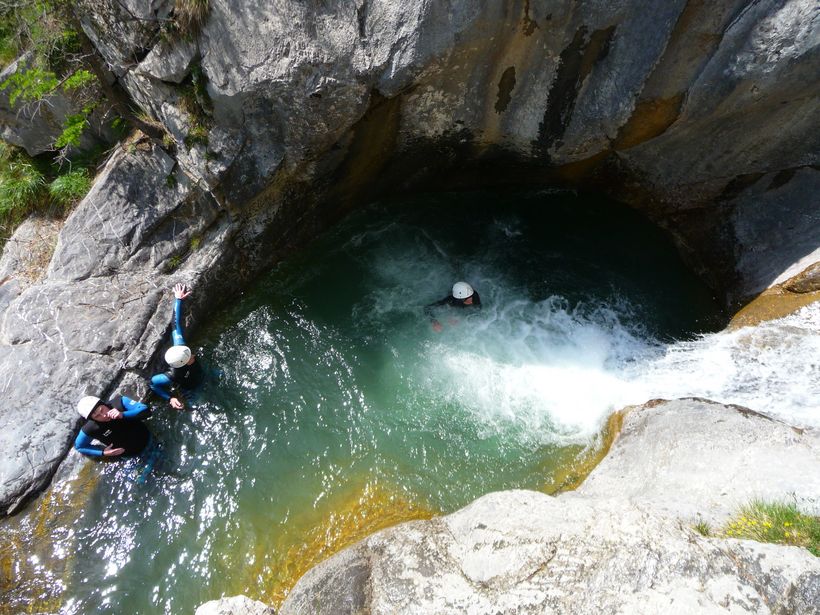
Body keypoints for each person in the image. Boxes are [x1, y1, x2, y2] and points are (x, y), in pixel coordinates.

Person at [150, 283, 203, 409]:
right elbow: (152, 384)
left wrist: (178, 299)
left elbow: (175, 323)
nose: (193, 355)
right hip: (190, 389)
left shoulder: (180, 346)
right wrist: (170, 398)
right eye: (190, 356)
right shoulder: (171, 376)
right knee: (194, 406)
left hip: (202, 373)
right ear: (182, 363)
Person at [74, 394, 153, 458]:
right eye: (97, 416)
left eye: (102, 410)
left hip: (150, 439)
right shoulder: (91, 428)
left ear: (103, 404)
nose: (104, 415)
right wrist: (103, 452)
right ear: (92, 419)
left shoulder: (120, 403)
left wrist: (123, 414)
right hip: (130, 455)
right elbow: (79, 447)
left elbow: (146, 411)